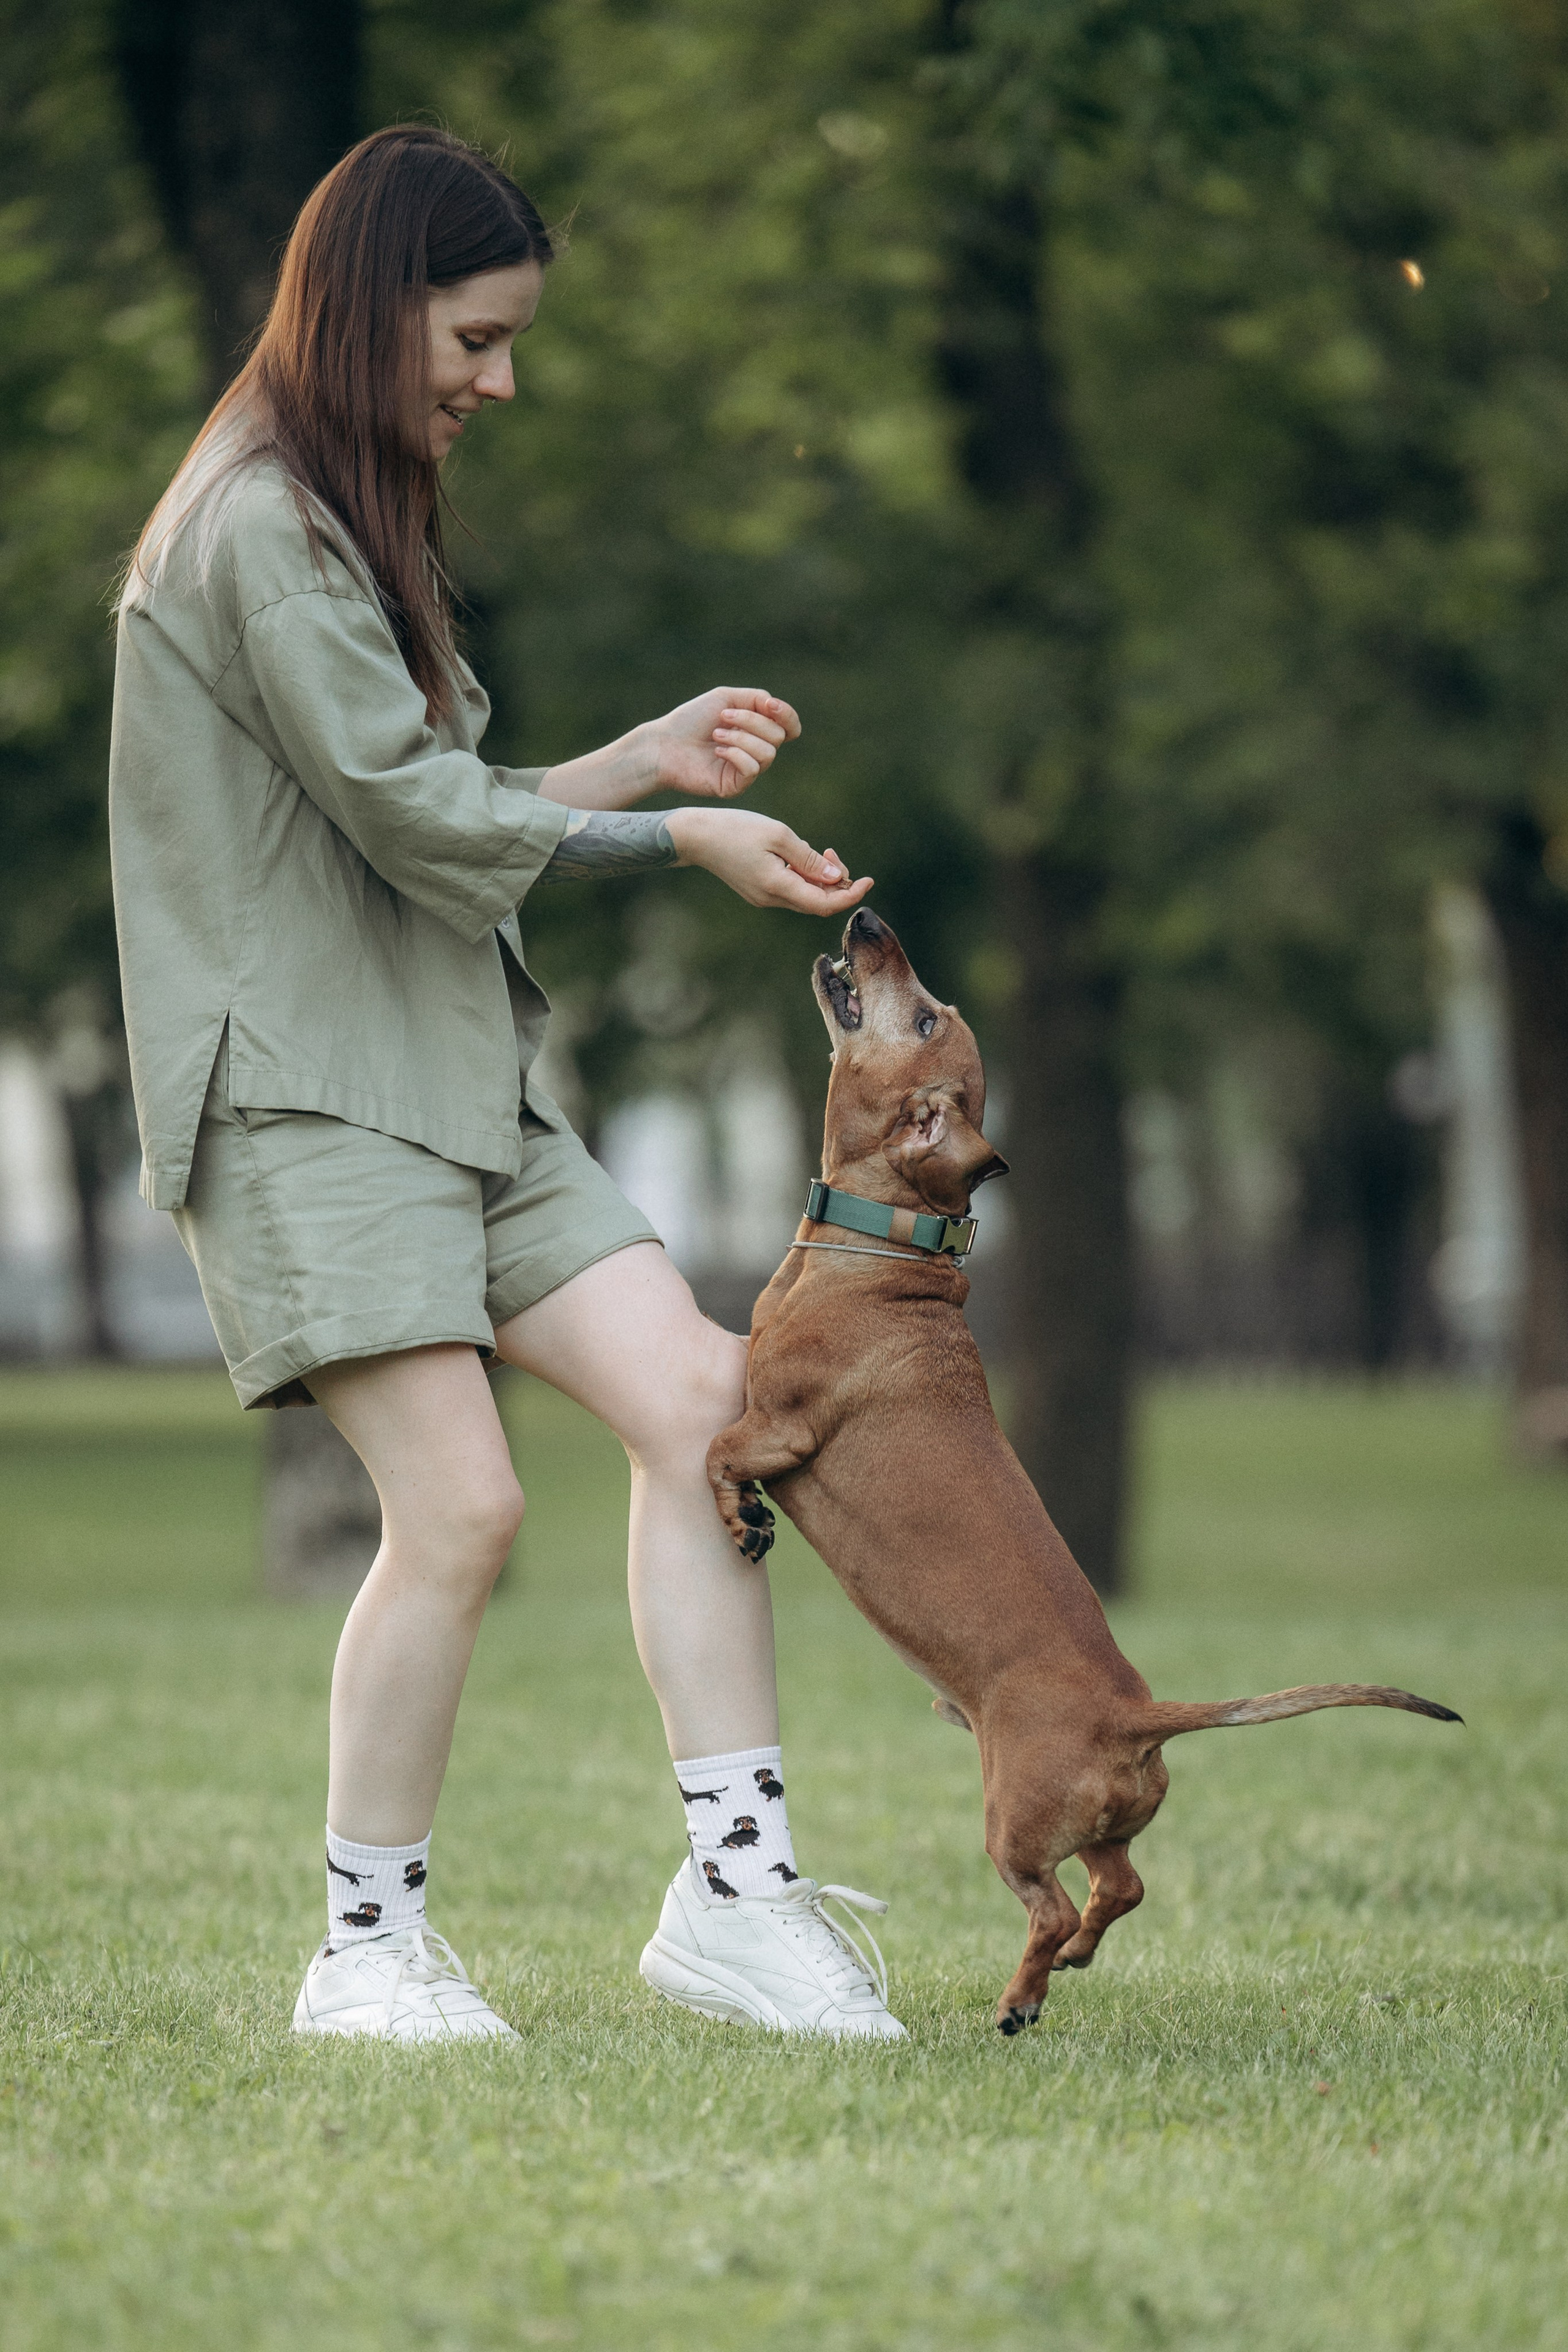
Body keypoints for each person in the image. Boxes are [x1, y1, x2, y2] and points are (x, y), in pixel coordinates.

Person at [110, 124, 907, 2043]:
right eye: (475, 336)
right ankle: (363, 1953)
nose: (500, 380)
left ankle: (737, 1899)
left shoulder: (341, 515)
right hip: (305, 1097)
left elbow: (431, 810)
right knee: (458, 1508)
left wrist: (637, 762)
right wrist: (682, 853)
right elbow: (409, 818)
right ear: (371, 308)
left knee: (712, 1412)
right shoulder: (254, 533)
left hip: (452, 1071)